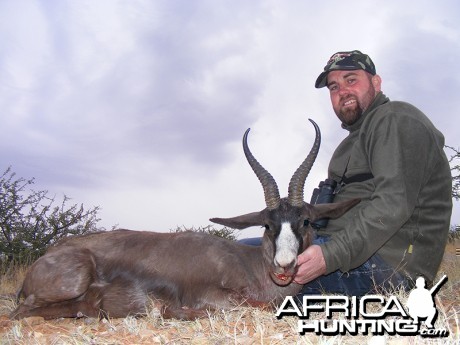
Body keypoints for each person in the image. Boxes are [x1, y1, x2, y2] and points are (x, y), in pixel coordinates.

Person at [294, 50, 452, 296]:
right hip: (341, 251)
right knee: (238, 253)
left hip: (388, 267)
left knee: (238, 271)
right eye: (334, 87)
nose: (342, 91)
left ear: (376, 83)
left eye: (351, 80)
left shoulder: (395, 118)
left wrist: (328, 256)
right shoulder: (347, 145)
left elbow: (392, 205)